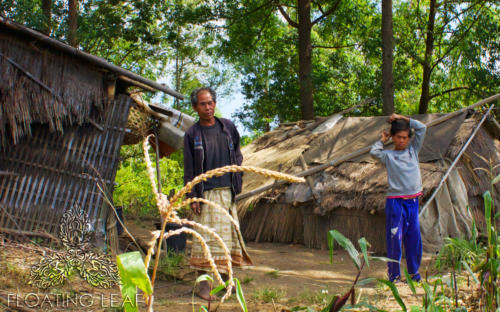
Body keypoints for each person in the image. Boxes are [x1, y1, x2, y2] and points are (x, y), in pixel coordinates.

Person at [183, 86, 252, 300]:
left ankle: (222, 283)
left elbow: (238, 153)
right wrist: (192, 195)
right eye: (203, 104)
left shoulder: (228, 128)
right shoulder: (192, 134)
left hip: (226, 193)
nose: (208, 107)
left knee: (225, 241)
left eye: (211, 102)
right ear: (195, 107)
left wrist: (235, 173)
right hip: (206, 195)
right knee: (205, 240)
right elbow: (189, 168)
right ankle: (204, 286)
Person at [370, 113, 426, 283]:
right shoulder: (388, 155)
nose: (402, 140)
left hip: (413, 201)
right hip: (395, 202)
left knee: (414, 237)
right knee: (395, 238)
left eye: (405, 137)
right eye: (398, 137)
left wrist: (404, 118)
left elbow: (422, 128)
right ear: (393, 138)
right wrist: (382, 140)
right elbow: (374, 152)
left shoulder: (413, 151)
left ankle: (413, 274)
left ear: (409, 138)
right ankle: (394, 276)